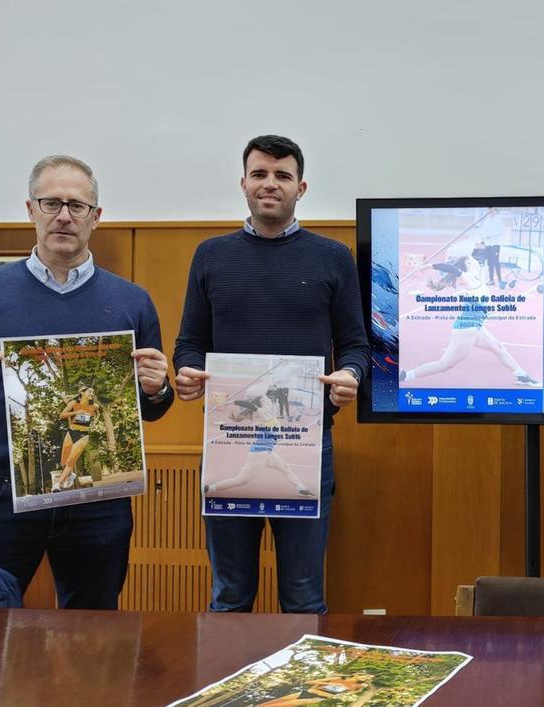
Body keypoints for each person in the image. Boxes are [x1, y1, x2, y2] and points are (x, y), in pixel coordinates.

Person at [0, 155, 174, 609]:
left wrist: (157, 389)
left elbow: (150, 408)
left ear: (96, 217)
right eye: (51, 202)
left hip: (97, 495)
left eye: (77, 206)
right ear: (30, 210)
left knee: (95, 638)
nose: (63, 215)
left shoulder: (132, 301)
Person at [174, 135, 369, 613]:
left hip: (305, 442)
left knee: (303, 597)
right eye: (260, 174)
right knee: (229, 595)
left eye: (282, 176)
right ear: (243, 183)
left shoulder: (333, 257)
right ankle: (225, 689)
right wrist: (186, 373)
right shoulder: (210, 255)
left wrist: (350, 375)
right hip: (229, 442)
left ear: (300, 188)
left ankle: (304, 690)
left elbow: (355, 346)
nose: (270, 184)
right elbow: (190, 343)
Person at [399, 254, 539, 387]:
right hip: (467, 327)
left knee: (498, 347)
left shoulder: (476, 278)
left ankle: (521, 375)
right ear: (469, 262)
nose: (478, 262)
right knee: (444, 364)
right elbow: (452, 268)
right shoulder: (468, 278)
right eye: (474, 259)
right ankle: (406, 375)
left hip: (475, 325)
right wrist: (428, 266)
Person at [56, 386, 98, 491]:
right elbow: (62, 415)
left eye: (93, 392)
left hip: (83, 436)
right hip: (71, 433)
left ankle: (57, 485)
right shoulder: (74, 403)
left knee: (70, 462)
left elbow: (94, 411)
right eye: (89, 391)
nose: (92, 393)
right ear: (83, 393)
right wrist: (75, 412)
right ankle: (70, 476)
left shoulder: (94, 406)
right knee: (64, 461)